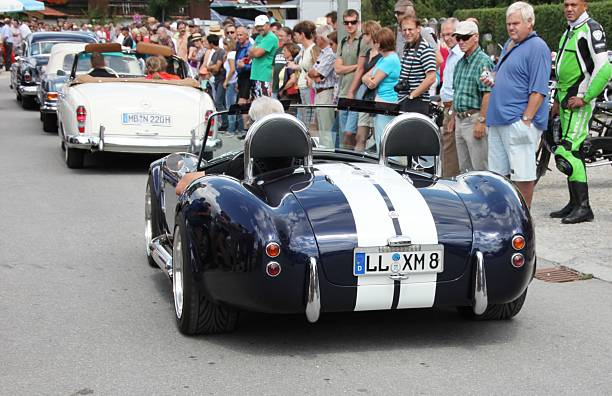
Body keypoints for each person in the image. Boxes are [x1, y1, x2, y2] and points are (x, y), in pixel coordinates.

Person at [549, 0, 612, 223]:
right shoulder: (570, 29)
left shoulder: (591, 29)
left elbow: (604, 68)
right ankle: (574, 203)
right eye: (566, 4)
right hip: (567, 101)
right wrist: (557, 98)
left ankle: (584, 208)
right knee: (575, 154)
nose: (568, 8)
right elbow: (563, 70)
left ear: (584, 5)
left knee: (567, 151)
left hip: (579, 103)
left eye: (574, 4)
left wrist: (586, 97)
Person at [484, 2, 551, 208]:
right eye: (508, 23)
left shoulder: (538, 47)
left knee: (522, 174)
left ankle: (523, 219)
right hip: (498, 119)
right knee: (498, 175)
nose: (511, 27)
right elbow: (503, 72)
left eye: (516, 23)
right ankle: (504, 216)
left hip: (517, 119)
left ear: (529, 23)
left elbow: (539, 89)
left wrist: (526, 119)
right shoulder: (510, 44)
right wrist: (492, 76)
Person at [175, 96, 286, 195]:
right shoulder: (299, 163)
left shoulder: (243, 166)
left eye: (251, 121)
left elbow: (182, 186)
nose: (247, 124)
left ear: (257, 126)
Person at [452, 20, 494, 172]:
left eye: (465, 37)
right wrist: (453, 118)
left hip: (474, 118)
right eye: (458, 38)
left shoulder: (483, 61)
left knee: (480, 169)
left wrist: (481, 121)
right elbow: (457, 93)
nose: (461, 42)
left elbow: (488, 94)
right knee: (465, 170)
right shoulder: (460, 62)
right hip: (460, 119)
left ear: (476, 37)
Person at [361, 27, 401, 153]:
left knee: (383, 139)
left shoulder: (390, 60)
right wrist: (368, 79)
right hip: (380, 101)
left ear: (379, 43)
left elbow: (372, 82)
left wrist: (369, 79)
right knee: (379, 137)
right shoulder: (383, 59)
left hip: (387, 103)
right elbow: (365, 77)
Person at [335, 9, 368, 149]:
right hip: (343, 91)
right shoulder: (343, 41)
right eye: (347, 22)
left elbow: (361, 69)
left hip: (356, 92)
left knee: (351, 133)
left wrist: (352, 91)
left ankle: (353, 160)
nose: (350, 25)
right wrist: (355, 66)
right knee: (344, 134)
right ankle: (346, 161)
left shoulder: (362, 40)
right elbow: (337, 69)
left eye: (353, 22)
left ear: (358, 23)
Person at [396, 16, 436, 115]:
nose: (407, 32)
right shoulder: (408, 47)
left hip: (417, 103)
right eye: (404, 30)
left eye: (410, 29)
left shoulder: (425, 49)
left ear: (418, 29)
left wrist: (413, 95)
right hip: (405, 101)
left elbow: (431, 77)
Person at [439, 18, 463, 177]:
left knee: (451, 156)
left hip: (453, 109)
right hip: (447, 107)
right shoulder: (451, 54)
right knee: (448, 153)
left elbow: (459, 87)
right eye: (444, 34)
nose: (447, 38)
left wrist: (452, 112)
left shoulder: (459, 55)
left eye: (450, 34)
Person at [354, 21, 382, 152]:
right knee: (360, 135)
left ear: (371, 34)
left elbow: (373, 78)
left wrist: (367, 78)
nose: (363, 37)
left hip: (376, 96)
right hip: (365, 97)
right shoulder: (367, 52)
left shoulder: (382, 54)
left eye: (364, 34)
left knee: (378, 135)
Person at [308, 25, 338, 148]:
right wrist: (314, 74)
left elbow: (317, 73)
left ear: (322, 38)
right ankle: (325, 148)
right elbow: (312, 73)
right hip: (319, 91)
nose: (315, 40)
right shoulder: (322, 53)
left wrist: (314, 74)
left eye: (317, 37)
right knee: (321, 126)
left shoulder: (329, 53)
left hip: (327, 92)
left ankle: (329, 151)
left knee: (326, 126)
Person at [293, 20, 318, 126]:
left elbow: (317, 67)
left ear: (302, 34)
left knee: (309, 121)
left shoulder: (313, 49)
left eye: (296, 35)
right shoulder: (305, 49)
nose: (295, 37)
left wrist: (311, 78)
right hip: (303, 86)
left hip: (310, 88)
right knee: (305, 120)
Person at [248, 15, 279, 98]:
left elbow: (256, 53)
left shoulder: (271, 38)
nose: (259, 28)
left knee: (265, 103)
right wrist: (253, 52)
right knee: (258, 101)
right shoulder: (259, 37)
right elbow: (250, 54)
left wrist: (253, 51)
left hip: (265, 75)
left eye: (262, 26)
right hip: (257, 74)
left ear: (268, 25)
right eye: (258, 26)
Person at [207, 34, 228, 130]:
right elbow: (210, 67)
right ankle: (225, 122)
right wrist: (212, 68)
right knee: (221, 102)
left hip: (221, 79)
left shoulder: (221, 52)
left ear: (211, 43)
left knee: (218, 101)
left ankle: (225, 123)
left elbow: (216, 68)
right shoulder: (215, 53)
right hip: (217, 79)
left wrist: (211, 68)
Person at [235, 26, 253, 131]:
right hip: (241, 77)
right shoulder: (239, 46)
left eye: (241, 34)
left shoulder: (250, 48)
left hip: (247, 77)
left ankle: (247, 128)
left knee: (243, 102)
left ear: (247, 35)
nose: (238, 37)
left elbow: (253, 66)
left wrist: (244, 66)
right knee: (242, 103)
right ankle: (246, 127)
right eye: (237, 35)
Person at [223, 38, 239, 133]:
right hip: (235, 81)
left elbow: (232, 69)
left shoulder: (230, 54)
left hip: (231, 82)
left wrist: (226, 81)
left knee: (230, 105)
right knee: (234, 105)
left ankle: (231, 128)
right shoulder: (233, 54)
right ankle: (236, 127)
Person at [272, 26, 293, 99]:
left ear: (289, 36)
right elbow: (273, 68)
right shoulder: (278, 50)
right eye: (278, 36)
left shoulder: (295, 49)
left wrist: (283, 89)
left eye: (281, 36)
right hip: (275, 88)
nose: (279, 38)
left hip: (288, 89)